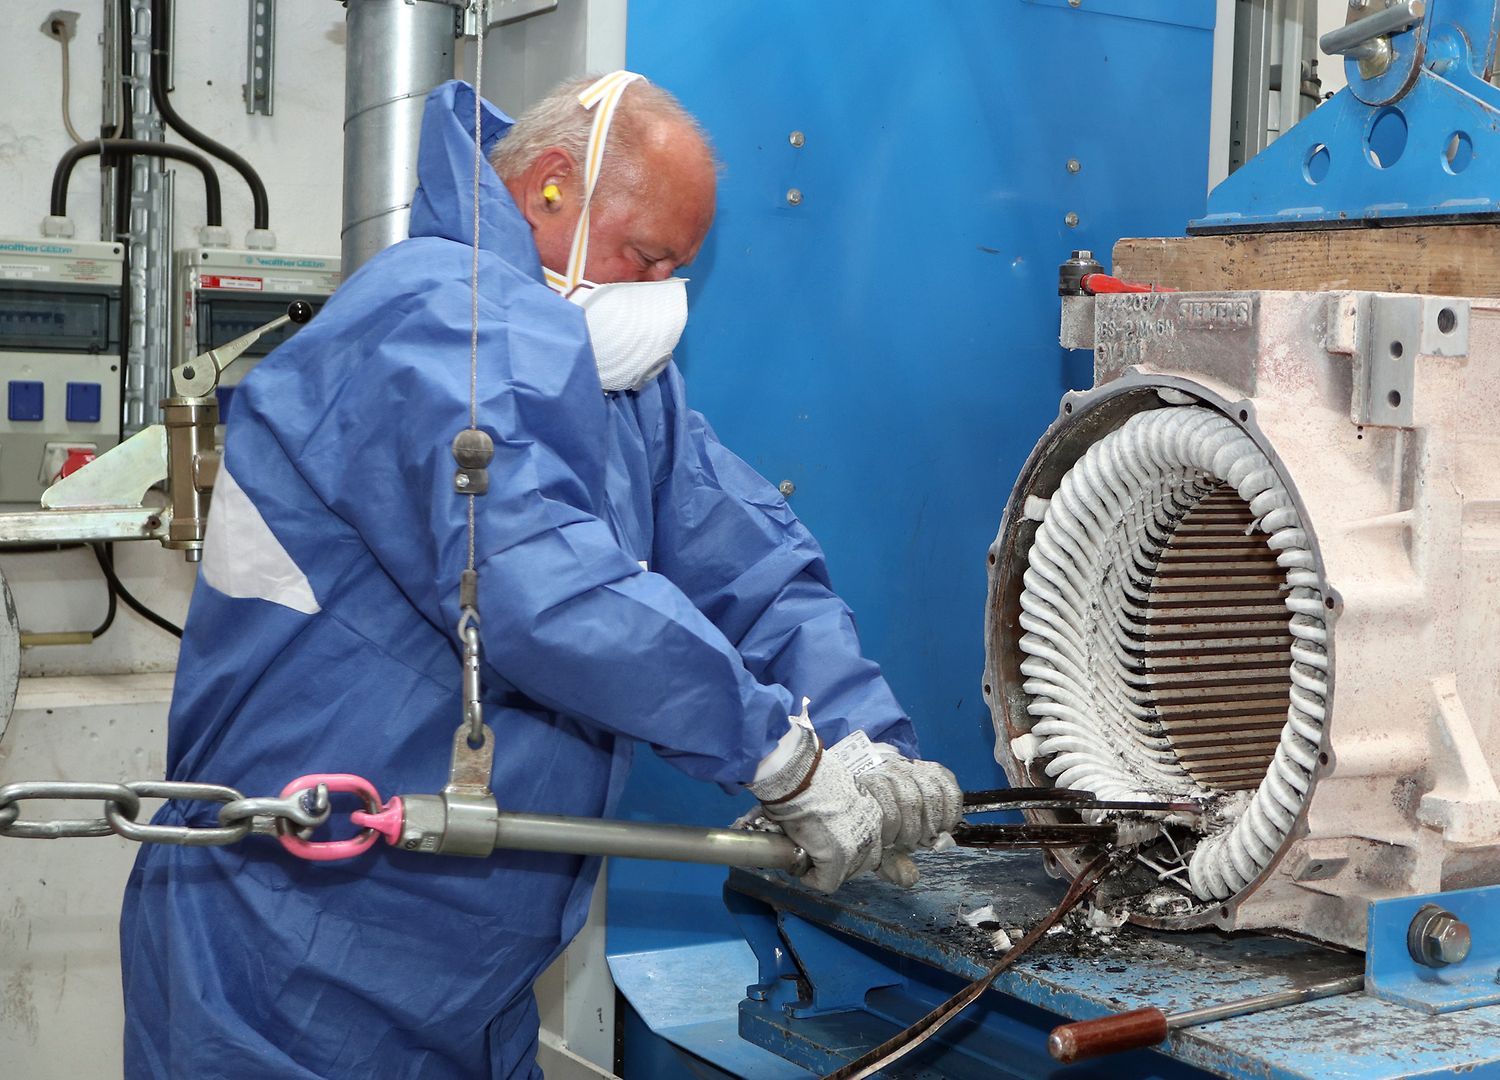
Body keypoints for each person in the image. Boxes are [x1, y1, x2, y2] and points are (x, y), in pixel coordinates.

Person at [119, 73, 961, 1079]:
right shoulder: (425, 324)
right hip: (294, 958)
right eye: (645, 258)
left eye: (676, 272)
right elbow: (534, 581)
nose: (657, 298)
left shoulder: (621, 389)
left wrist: (870, 746)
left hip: (469, 978)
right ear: (552, 187)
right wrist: (777, 754)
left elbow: (758, 572)